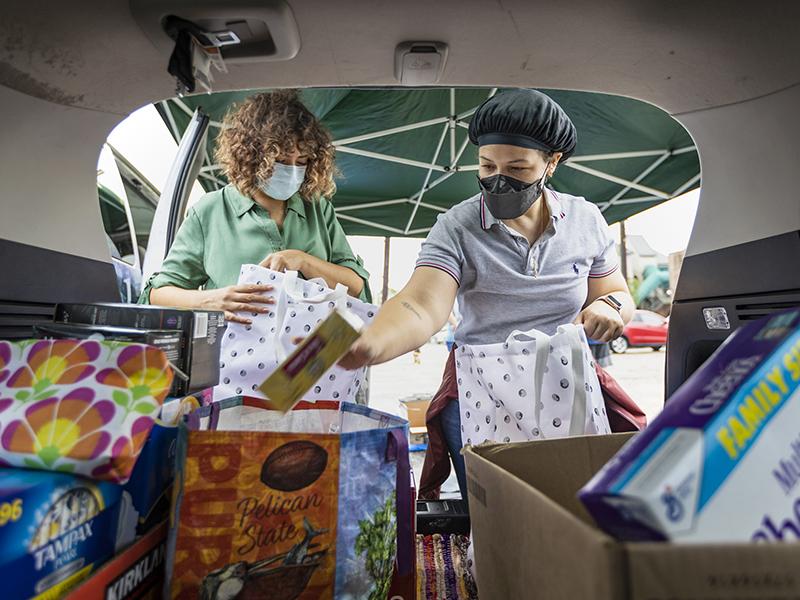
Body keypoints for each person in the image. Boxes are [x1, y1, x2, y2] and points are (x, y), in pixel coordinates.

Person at [340, 89, 634, 501]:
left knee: (572, 502)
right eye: (487, 165)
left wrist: (610, 306)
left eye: (517, 167)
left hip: (566, 385)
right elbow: (422, 304)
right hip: (482, 390)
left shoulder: (585, 220)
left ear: (552, 163)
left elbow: (616, 291)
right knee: (496, 511)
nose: (499, 179)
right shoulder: (457, 226)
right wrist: (373, 342)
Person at [140, 90, 371, 319]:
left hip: (312, 353)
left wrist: (303, 260)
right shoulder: (210, 211)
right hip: (232, 353)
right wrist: (214, 300)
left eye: (301, 161)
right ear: (251, 156)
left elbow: (355, 286)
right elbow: (157, 294)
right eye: (280, 161)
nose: (291, 170)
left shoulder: (318, 208)